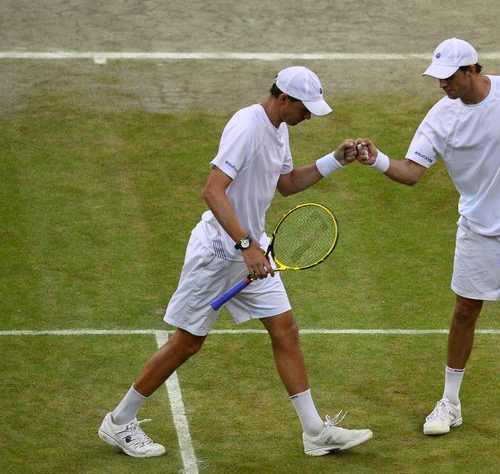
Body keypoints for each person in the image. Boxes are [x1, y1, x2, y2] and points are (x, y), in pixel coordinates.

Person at [98, 66, 373, 458]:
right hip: (217, 255)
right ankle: (119, 421)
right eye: (305, 107)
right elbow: (213, 191)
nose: (308, 115)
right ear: (283, 99)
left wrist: (335, 160)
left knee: (286, 330)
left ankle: (315, 432)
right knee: (186, 343)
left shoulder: (280, 129)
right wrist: (246, 245)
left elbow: (287, 183)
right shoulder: (247, 126)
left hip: (252, 252)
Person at [355, 38, 500, 439]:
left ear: (472, 71)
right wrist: (375, 159)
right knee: (465, 311)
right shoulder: (439, 118)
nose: (442, 85)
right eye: (439, 78)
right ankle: (450, 402)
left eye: (449, 77)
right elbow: (412, 173)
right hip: (479, 229)